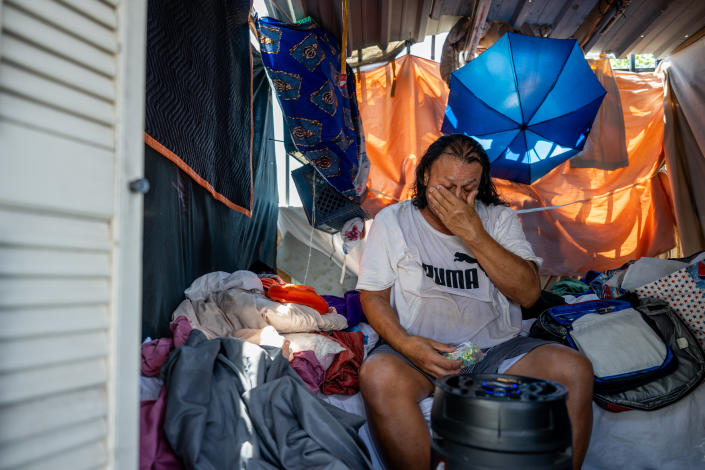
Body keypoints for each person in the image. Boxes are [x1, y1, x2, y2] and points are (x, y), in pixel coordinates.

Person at [357, 134, 593, 470]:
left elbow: (527, 294)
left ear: (480, 184)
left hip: (489, 352)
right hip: (421, 352)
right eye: (447, 185)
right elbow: (373, 296)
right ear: (426, 177)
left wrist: (473, 233)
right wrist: (407, 345)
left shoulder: (498, 219)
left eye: (468, 188)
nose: (457, 197)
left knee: (574, 368)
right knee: (378, 375)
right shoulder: (393, 220)